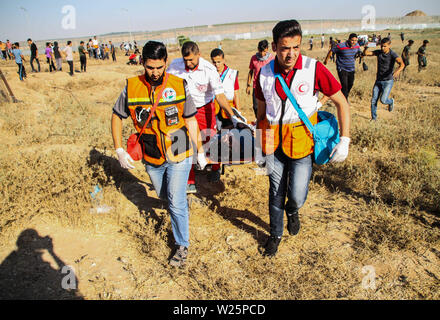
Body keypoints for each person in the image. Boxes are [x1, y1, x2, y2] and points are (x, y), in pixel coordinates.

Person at [255, 19, 351, 256]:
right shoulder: (264, 73)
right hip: (273, 143)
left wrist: (345, 139)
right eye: (285, 48)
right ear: (275, 46)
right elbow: (260, 112)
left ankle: (294, 209)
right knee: (275, 191)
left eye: (296, 47)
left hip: (301, 142)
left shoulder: (313, 68)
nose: (291, 54)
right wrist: (259, 144)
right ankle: (275, 235)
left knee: (296, 194)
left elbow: (341, 102)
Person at [111, 41, 205, 268]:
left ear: (166, 63)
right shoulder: (131, 87)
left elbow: (191, 118)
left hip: (179, 150)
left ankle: (182, 246)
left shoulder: (178, 85)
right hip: (152, 154)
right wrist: (118, 149)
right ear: (143, 62)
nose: (154, 72)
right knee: (164, 195)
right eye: (150, 67)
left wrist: (200, 151)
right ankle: (179, 205)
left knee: (175, 199)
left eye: (159, 67)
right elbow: (116, 116)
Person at [167, 41, 246, 192]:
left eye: (191, 60)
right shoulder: (175, 66)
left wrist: (233, 115)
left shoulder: (209, 69)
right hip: (183, 109)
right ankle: (189, 180)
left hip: (204, 109)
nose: (188, 63)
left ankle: (215, 167)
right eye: (185, 60)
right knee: (185, 142)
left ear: (199, 55)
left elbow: (220, 96)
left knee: (210, 140)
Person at [363, 37, 404, 121]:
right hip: (378, 80)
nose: (382, 48)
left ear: (389, 45)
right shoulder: (379, 52)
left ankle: (391, 101)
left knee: (383, 100)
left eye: (384, 46)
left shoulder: (393, 54)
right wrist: (366, 47)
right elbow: (366, 53)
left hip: (388, 81)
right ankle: (374, 118)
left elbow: (402, 64)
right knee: (374, 100)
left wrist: (397, 71)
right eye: (381, 46)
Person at [324, 33, 361, 101]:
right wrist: (326, 60)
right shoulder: (341, 46)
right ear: (349, 39)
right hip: (342, 68)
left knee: (350, 84)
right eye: (352, 40)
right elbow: (331, 51)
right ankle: (344, 102)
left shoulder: (357, 46)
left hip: (351, 69)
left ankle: (342, 95)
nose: (354, 42)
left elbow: (359, 52)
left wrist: (360, 54)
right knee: (344, 86)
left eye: (355, 40)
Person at [210, 48, 240, 130]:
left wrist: (238, 112)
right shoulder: (210, 74)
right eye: (214, 62)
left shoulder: (232, 73)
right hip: (215, 109)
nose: (217, 64)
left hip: (229, 108)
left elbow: (236, 94)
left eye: (219, 62)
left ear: (223, 60)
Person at [246, 40, 274, 118]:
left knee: (268, 107)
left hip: (268, 87)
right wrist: (248, 85)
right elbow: (251, 72)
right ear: (258, 49)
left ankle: (266, 125)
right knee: (256, 107)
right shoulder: (254, 58)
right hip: (256, 87)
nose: (262, 54)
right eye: (260, 51)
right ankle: (259, 122)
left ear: (267, 49)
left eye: (264, 51)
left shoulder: (271, 58)